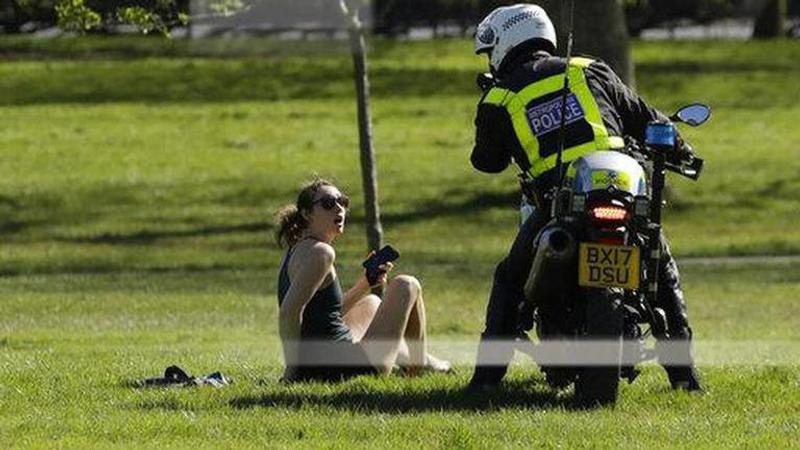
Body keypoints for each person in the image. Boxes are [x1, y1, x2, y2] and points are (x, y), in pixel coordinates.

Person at [467, 4, 702, 391]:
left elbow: (487, 162)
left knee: (509, 279)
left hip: (556, 202)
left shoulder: (499, 96)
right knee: (661, 268)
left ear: (505, 42)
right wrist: (682, 148)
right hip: (622, 194)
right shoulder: (588, 69)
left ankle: (485, 381)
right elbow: (646, 118)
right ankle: (685, 378)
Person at [275, 178, 451, 382]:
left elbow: (324, 314)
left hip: (328, 359)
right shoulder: (321, 253)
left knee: (371, 303)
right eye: (329, 203)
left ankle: (427, 362)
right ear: (306, 213)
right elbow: (289, 313)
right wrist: (293, 372)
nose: (339, 208)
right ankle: (418, 369)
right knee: (407, 284)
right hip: (350, 369)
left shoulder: (295, 249)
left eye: (342, 201)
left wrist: (366, 283)